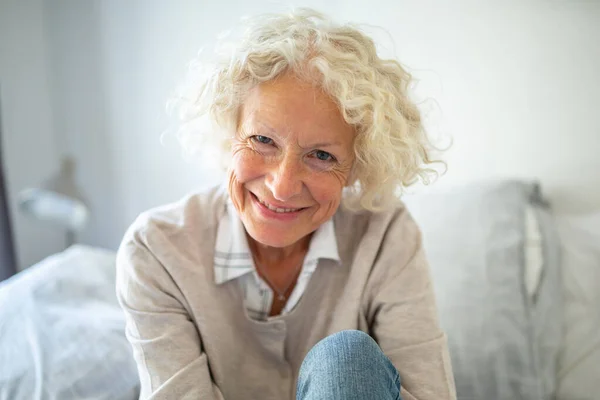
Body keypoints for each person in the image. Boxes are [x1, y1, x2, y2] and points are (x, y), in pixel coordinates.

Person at [116, 8, 456, 400]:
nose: (281, 186)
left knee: (346, 361)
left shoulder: (385, 233)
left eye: (322, 156)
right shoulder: (157, 250)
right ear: (230, 131)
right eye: (263, 140)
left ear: (358, 167)